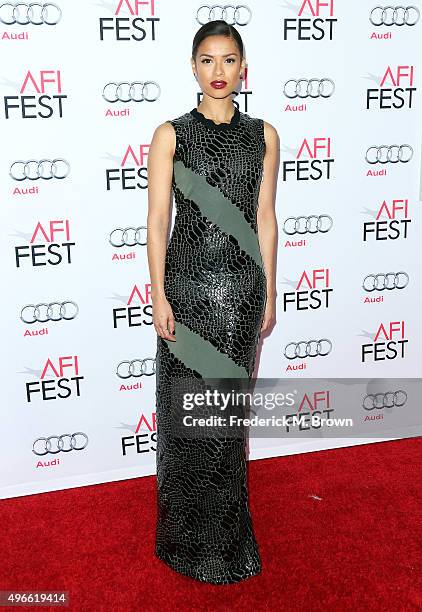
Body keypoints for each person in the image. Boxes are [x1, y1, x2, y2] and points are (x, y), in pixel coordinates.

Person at [147, 19, 279, 585]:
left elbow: (264, 219)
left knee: (227, 424)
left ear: (243, 68)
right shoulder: (170, 135)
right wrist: (158, 295)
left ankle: (228, 540)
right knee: (186, 420)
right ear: (192, 66)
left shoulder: (265, 135)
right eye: (207, 60)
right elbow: (157, 224)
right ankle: (183, 540)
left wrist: (268, 289)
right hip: (189, 293)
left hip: (241, 295)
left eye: (229, 60)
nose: (218, 72)